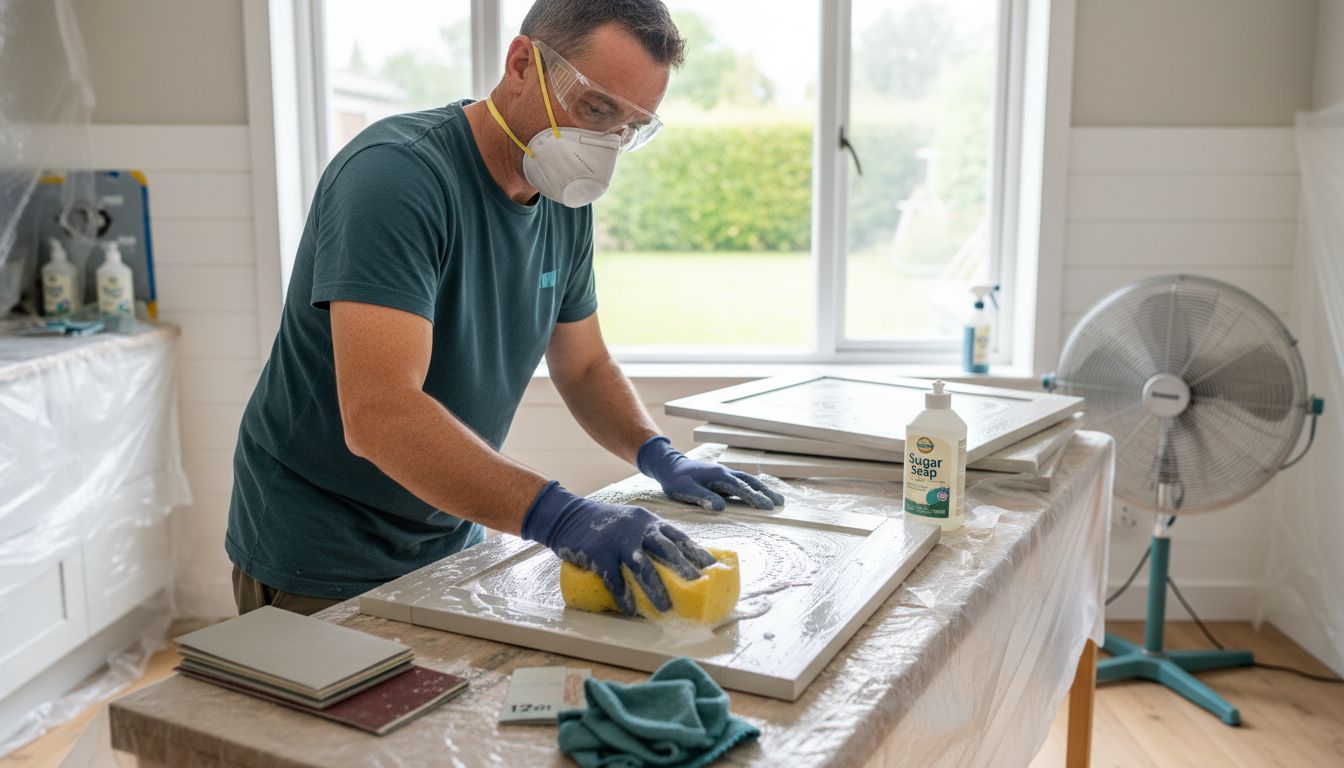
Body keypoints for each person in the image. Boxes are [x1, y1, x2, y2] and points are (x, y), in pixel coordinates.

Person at [226, 0, 783, 619]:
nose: (606, 143)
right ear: (522, 64)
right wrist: (558, 514)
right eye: (596, 108)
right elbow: (380, 413)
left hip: (449, 532)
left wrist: (658, 454)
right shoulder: (395, 179)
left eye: (629, 127)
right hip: (323, 549)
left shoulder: (563, 199)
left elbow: (585, 366)